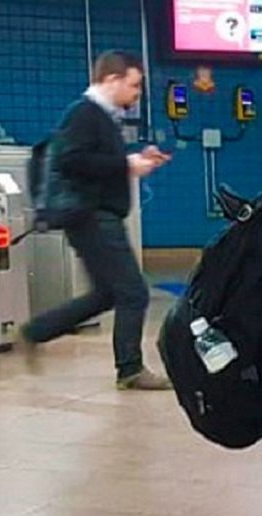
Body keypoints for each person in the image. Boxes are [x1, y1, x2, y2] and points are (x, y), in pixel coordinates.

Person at [22, 50, 171, 391]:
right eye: (134, 85)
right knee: (133, 292)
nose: (137, 94)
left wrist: (136, 160)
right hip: (93, 216)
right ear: (112, 79)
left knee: (107, 293)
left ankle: (36, 331)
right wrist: (127, 165)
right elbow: (72, 160)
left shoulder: (99, 116)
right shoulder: (85, 113)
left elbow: (93, 161)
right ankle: (130, 369)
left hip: (93, 215)